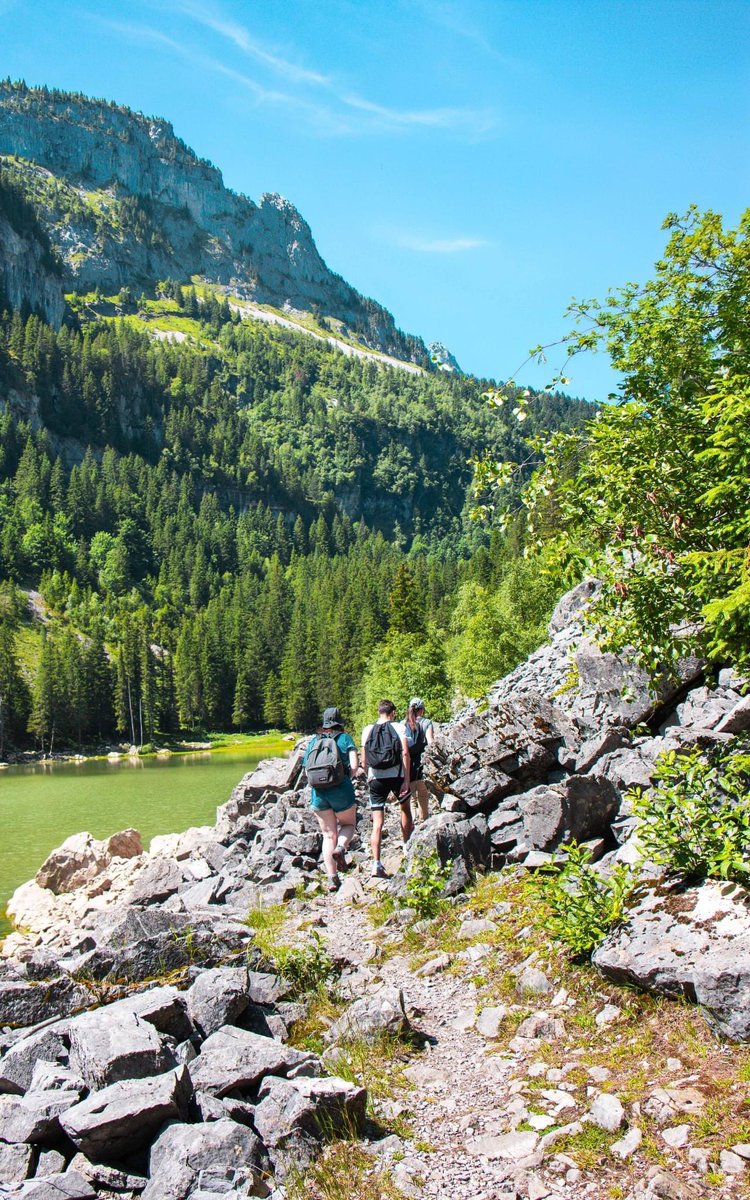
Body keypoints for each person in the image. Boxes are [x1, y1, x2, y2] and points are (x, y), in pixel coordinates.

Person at [303, 706, 359, 893]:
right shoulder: (344, 738)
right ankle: (341, 848)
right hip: (342, 791)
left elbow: (306, 770)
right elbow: (354, 765)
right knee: (348, 825)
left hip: (319, 794)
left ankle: (332, 878)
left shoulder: (314, 741)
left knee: (328, 835)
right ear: (339, 722)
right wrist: (347, 777)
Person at [361, 699, 410, 878]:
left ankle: (376, 864)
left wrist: (369, 775)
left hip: (376, 778)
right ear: (393, 713)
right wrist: (406, 779)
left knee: (377, 823)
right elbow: (405, 753)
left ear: (379, 712)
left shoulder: (367, 730)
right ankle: (407, 849)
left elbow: (364, 760)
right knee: (405, 810)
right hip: (396, 776)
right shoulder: (399, 727)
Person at [402, 696, 436, 822]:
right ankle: (424, 821)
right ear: (422, 710)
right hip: (422, 763)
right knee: (423, 794)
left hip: (407, 765)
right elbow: (431, 742)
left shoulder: (402, 724)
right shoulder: (426, 723)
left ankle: (412, 822)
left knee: (411, 796)